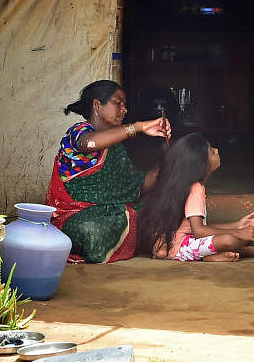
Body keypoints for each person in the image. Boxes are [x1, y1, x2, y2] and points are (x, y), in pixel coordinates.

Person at [45, 80, 171, 263]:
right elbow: (90, 143)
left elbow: (136, 188)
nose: (124, 109)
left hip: (112, 213)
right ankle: (145, 239)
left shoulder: (115, 145)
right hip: (76, 216)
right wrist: (138, 126)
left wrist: (165, 165)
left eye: (125, 105)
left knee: (155, 208)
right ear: (97, 105)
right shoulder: (78, 132)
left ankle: (151, 239)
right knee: (88, 230)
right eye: (118, 103)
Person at [137, 133, 254, 262]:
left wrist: (237, 225)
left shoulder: (189, 186)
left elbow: (199, 227)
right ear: (201, 164)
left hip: (175, 243)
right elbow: (199, 231)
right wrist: (238, 232)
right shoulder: (196, 188)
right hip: (177, 248)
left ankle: (213, 255)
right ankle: (245, 252)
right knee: (230, 240)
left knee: (239, 236)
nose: (216, 150)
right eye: (211, 151)